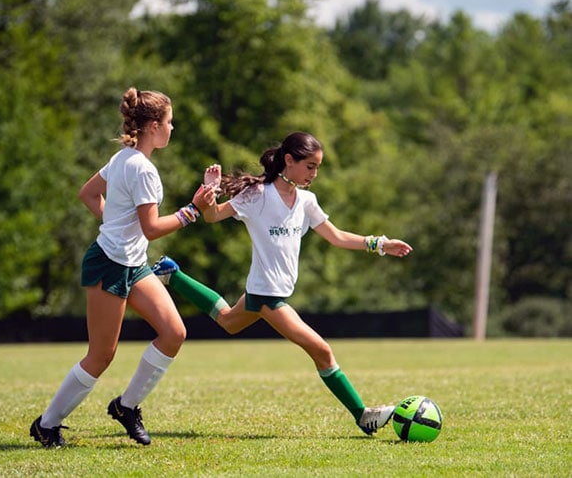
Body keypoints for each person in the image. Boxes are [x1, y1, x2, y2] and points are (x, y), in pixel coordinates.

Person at [152, 131, 413, 436]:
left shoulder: (307, 201)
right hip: (268, 296)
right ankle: (362, 415)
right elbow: (212, 217)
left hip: (263, 291)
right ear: (289, 161)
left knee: (227, 321)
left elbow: (337, 237)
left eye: (317, 167)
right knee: (322, 351)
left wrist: (381, 244)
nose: (314, 174)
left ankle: (172, 274)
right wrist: (210, 192)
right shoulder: (258, 195)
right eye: (310, 166)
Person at [30, 87, 215, 448]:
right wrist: (192, 210)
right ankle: (46, 424)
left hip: (133, 264)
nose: (172, 128)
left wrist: (114, 222)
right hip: (109, 265)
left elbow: (88, 194)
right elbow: (151, 228)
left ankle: (126, 406)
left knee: (174, 332)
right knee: (102, 355)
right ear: (152, 126)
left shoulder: (123, 157)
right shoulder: (141, 168)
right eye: (169, 122)